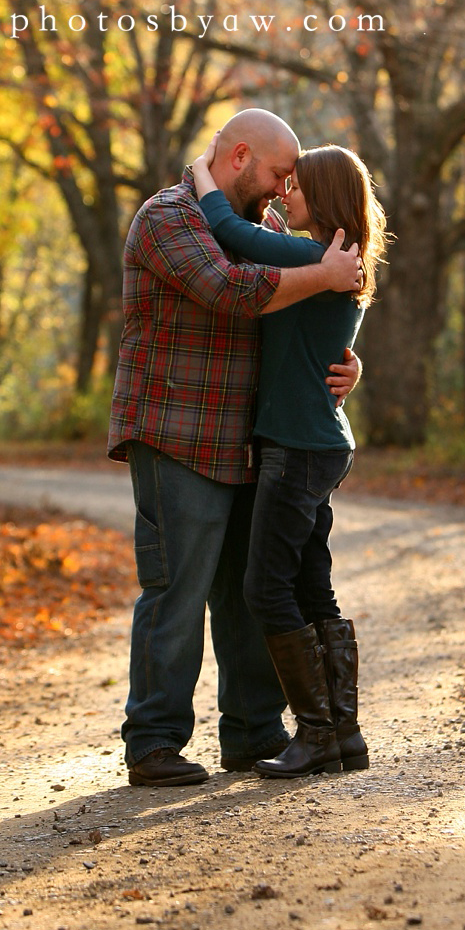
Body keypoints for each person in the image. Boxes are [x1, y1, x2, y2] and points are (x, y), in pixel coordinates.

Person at [107, 109, 364, 787]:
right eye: (281, 173)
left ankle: (254, 730)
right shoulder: (168, 219)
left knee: (250, 596)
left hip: (252, 441)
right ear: (241, 155)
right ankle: (155, 741)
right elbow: (232, 290)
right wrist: (327, 277)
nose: (286, 191)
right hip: (177, 433)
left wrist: (347, 361)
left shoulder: (268, 228)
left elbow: (299, 316)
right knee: (178, 590)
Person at [191, 138, 388, 778]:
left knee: (266, 587)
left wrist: (202, 174)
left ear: (324, 195)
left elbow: (228, 230)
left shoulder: (313, 257)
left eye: (296, 184)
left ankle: (315, 733)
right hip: (315, 442)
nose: (284, 193)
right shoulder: (337, 259)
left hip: (299, 448)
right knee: (309, 586)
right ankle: (342, 738)